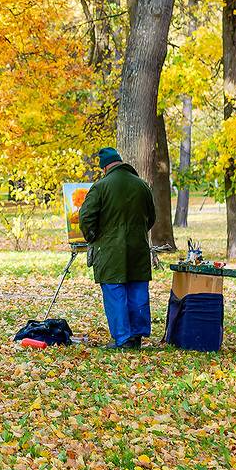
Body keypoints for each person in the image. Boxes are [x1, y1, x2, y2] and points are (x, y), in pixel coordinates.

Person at [78, 146, 156, 350]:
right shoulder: (142, 185)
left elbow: (86, 217)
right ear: (121, 162)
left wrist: (93, 237)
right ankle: (137, 336)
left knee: (115, 292)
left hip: (111, 251)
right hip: (138, 248)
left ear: (104, 168)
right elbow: (151, 217)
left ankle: (123, 339)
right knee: (138, 289)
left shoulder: (101, 186)